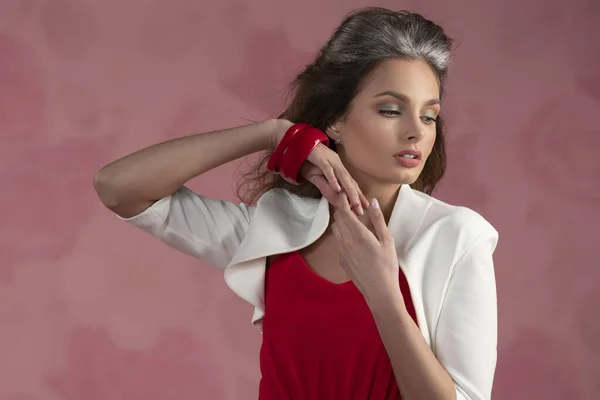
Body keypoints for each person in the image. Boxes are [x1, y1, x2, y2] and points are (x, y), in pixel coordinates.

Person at [94, 7, 498, 400]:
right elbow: (117, 187)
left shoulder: (458, 238)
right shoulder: (274, 229)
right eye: (391, 110)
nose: (415, 132)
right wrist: (272, 135)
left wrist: (382, 294)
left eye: (429, 117)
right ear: (336, 119)